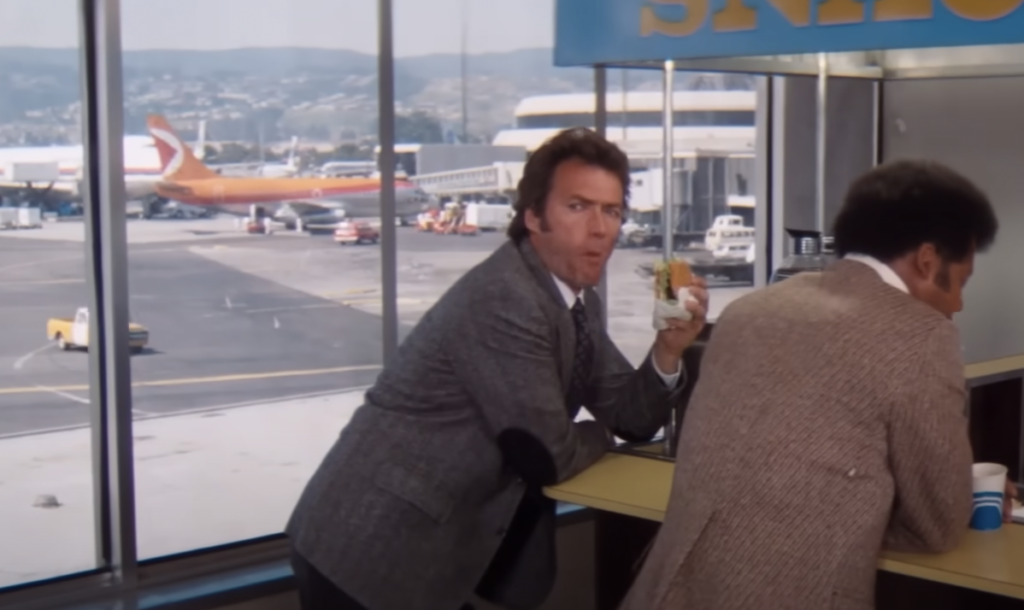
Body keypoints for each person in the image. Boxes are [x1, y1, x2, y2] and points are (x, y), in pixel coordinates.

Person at [287, 127, 709, 610]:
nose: (600, 229)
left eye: (611, 211)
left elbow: (631, 416)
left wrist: (668, 351)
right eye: (578, 207)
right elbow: (547, 456)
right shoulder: (505, 298)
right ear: (533, 216)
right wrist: (601, 437)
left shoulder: (574, 300)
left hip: (441, 554)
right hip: (371, 547)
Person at [619, 159, 1012, 610]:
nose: (958, 305)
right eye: (960, 282)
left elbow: (790, 461)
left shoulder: (751, 309)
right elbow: (936, 526)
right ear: (926, 261)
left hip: (664, 592)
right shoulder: (921, 336)